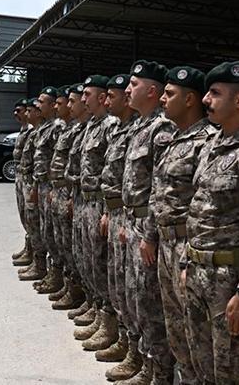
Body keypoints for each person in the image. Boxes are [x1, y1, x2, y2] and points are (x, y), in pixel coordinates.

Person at [184, 61, 239, 384]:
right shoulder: (210, 146)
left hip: (229, 281)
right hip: (197, 270)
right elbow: (196, 208)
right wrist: (185, 260)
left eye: (215, 93)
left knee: (232, 370)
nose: (206, 99)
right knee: (201, 364)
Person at [146, 65, 214, 385]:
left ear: (190, 100)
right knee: (174, 327)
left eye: (170, 94)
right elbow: (158, 192)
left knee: (195, 333)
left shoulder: (207, 142)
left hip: (187, 247)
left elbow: (206, 207)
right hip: (165, 244)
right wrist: (151, 235)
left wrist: (190, 254)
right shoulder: (172, 138)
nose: (162, 98)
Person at [119, 60, 177, 384]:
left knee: (151, 305)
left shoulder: (162, 129)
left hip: (148, 228)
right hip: (132, 222)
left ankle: (160, 374)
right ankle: (145, 363)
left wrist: (149, 232)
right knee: (136, 299)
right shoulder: (141, 126)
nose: (128, 90)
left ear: (152, 91)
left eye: (134, 84)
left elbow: (161, 187)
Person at [73, 75, 119, 349]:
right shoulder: (92, 126)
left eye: (87, 94)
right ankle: (97, 310)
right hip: (85, 199)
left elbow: (113, 174)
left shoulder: (111, 127)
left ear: (102, 97)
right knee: (88, 260)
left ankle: (111, 324)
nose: (82, 99)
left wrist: (106, 210)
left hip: (101, 204)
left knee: (102, 265)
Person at [96, 74, 139, 369]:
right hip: (117, 213)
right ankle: (122, 338)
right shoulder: (125, 130)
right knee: (117, 284)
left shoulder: (155, 130)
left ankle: (144, 360)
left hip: (136, 221)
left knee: (138, 297)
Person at [48, 85, 87, 311]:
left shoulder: (106, 128)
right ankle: (78, 292)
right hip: (69, 192)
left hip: (94, 200)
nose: (66, 106)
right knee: (66, 245)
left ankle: (95, 305)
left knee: (95, 261)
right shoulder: (78, 129)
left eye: (71, 101)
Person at [30, 87, 65, 293]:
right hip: (43, 185)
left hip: (54, 188)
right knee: (46, 233)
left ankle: (60, 279)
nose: (38, 106)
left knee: (57, 237)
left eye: (42, 102)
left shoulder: (57, 128)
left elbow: (59, 162)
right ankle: (53, 274)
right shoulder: (45, 127)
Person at [18, 100, 45, 281]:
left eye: (29, 110)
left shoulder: (48, 130)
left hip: (38, 184)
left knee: (37, 224)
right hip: (26, 179)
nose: (25, 114)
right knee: (30, 221)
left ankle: (41, 264)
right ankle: (34, 255)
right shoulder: (32, 131)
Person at [11, 99, 33, 266]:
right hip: (19, 177)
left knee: (31, 217)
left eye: (19, 110)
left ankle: (33, 252)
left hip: (28, 179)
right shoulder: (23, 130)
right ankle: (29, 247)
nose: (16, 114)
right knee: (24, 215)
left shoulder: (32, 132)